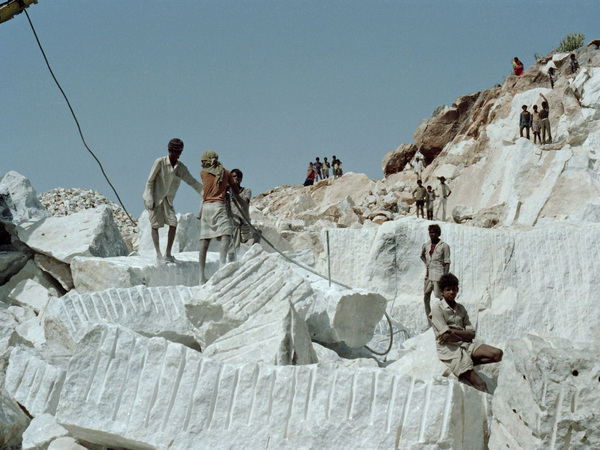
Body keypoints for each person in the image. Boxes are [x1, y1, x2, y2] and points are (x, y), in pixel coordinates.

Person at [430, 273, 503, 393]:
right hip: (450, 350)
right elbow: (446, 337)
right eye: (448, 290)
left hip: (465, 345)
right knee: (481, 384)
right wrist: (461, 334)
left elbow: (472, 334)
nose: (451, 292)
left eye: (454, 289)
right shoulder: (437, 309)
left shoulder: (461, 309)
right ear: (442, 291)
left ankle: (466, 364)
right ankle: (484, 410)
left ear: (457, 289)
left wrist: (452, 331)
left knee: (497, 354)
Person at [143, 138, 203, 264]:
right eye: (176, 151)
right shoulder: (160, 162)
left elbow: (193, 182)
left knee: (173, 223)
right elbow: (150, 181)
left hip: (167, 200)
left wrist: (205, 194)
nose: (178, 154)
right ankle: (158, 254)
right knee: (155, 225)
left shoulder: (180, 168)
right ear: (170, 150)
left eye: (180, 152)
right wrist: (149, 198)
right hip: (155, 197)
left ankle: (168, 253)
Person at [198, 150, 241, 284]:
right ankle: (222, 264)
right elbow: (235, 190)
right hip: (218, 206)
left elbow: (213, 183)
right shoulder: (226, 173)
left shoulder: (203, 173)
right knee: (226, 234)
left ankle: (201, 277)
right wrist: (229, 186)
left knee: (205, 241)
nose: (201, 164)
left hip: (206, 207)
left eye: (202, 161)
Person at [226, 168, 260, 262]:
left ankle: (254, 256)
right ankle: (231, 265)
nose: (236, 178)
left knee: (257, 233)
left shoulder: (246, 190)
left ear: (241, 179)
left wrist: (236, 195)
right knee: (233, 247)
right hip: (234, 223)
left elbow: (245, 203)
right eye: (233, 177)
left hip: (245, 222)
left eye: (238, 176)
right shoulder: (227, 192)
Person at [420, 224, 451, 325]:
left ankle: (446, 320)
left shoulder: (444, 246)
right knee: (426, 298)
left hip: (438, 276)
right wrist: (428, 264)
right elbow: (422, 256)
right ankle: (430, 323)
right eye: (430, 232)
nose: (432, 234)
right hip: (428, 276)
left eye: (434, 233)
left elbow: (447, 262)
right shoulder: (426, 245)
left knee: (441, 298)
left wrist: (445, 278)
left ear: (438, 234)